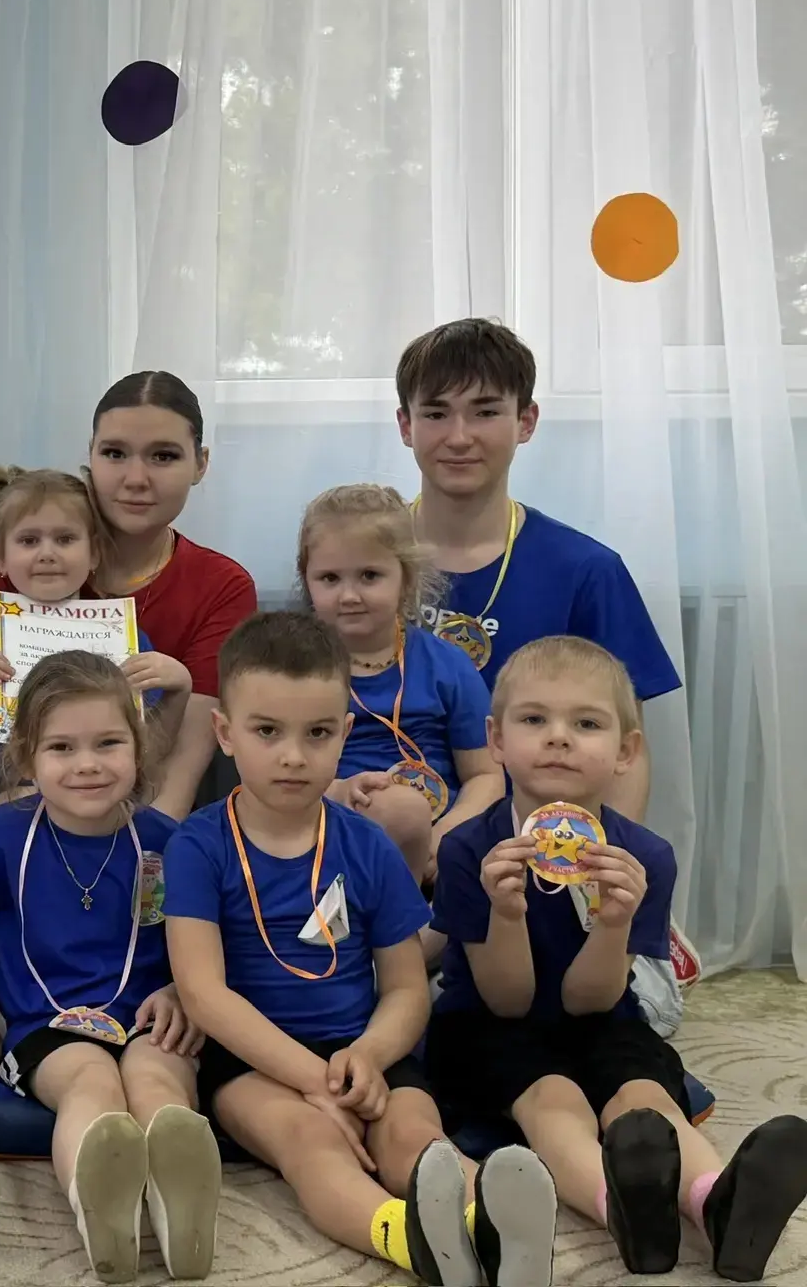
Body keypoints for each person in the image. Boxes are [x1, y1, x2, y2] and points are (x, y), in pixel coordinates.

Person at [165, 611, 558, 1285]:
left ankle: (497, 1225)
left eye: (317, 733)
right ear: (225, 733)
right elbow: (204, 995)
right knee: (313, 1141)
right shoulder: (197, 846)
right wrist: (315, 1081)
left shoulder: (367, 843)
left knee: (416, 1136)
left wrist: (371, 1056)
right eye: (267, 731)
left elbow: (404, 987)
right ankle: (411, 1242)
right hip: (253, 1062)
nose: (294, 755)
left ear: (345, 735)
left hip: (365, 1049)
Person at [427, 635, 807, 1283]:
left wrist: (614, 922)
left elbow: (592, 1001)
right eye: (534, 719)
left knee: (645, 1100)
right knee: (555, 1102)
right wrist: (506, 914)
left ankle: (717, 1204)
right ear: (496, 740)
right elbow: (506, 1001)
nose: (558, 737)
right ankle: (621, 1210)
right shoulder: (469, 850)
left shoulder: (643, 858)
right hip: (489, 1026)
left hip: (601, 1015)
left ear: (626, 752)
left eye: (586, 724)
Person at [0, 651, 220, 1283]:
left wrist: (181, 991)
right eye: (62, 747)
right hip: (47, 1026)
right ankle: (99, 1204)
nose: (87, 764)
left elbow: (202, 940)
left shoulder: (169, 840)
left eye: (108, 743)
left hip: (151, 1016)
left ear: (139, 749)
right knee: (90, 1083)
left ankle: (179, 1199)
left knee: (157, 1080)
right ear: (27, 759)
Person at [0, 372, 255, 821]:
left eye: (163, 456)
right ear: (91, 454)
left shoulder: (222, 586)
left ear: (200, 464)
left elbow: (178, 772)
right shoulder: (26, 554)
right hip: (3, 817)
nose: (136, 479)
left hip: (131, 823)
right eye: (114, 453)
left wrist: (136, 852)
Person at [395, 319, 681, 822]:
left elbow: (623, 754)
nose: (459, 437)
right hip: (381, 844)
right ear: (405, 425)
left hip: (539, 850)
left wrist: (604, 862)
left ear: (526, 422)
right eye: (436, 413)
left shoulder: (587, 572)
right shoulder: (357, 563)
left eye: (485, 412)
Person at [0, 465, 190, 816]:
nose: (47, 553)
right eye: (28, 540)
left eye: (65, 539)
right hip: (12, 803)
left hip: (103, 800)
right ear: (0, 557)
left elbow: (150, 754)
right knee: (14, 805)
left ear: (94, 553)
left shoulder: (126, 639)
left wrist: (178, 689)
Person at [298, 484, 498, 883]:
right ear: (307, 582)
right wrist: (335, 792)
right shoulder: (295, 672)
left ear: (406, 579)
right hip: (328, 831)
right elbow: (273, 770)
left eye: (370, 576)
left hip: (440, 852)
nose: (349, 595)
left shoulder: (447, 665)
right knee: (394, 812)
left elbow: (487, 776)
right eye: (329, 578)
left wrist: (447, 836)